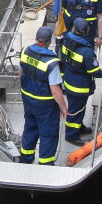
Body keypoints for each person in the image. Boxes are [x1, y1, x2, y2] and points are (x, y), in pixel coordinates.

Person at [19, 26, 68, 166]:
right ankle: (45, 164)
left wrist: (25, 90)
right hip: (45, 105)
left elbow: (20, 74)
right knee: (48, 134)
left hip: (27, 99)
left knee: (30, 128)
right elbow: (55, 90)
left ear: (36, 38)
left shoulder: (25, 51)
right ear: (49, 42)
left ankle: (26, 158)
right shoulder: (51, 62)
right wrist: (63, 107)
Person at [61, 18, 102, 145]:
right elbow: (93, 71)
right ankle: (71, 135)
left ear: (73, 29)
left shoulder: (66, 41)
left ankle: (79, 126)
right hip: (80, 87)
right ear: (86, 31)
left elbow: (62, 59)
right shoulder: (87, 51)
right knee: (75, 110)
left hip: (69, 82)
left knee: (78, 109)